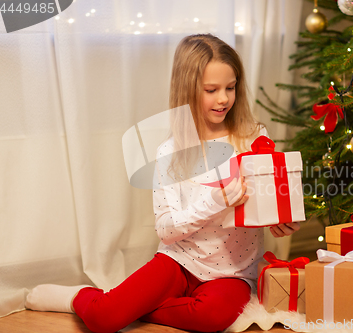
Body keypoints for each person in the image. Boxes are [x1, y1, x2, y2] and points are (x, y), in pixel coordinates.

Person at [25, 34, 301, 332]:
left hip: (232, 273)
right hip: (178, 260)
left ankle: (135, 307)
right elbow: (166, 230)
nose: (223, 98)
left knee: (212, 317)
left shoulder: (254, 138)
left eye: (230, 88)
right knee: (103, 319)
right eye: (211, 90)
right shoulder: (169, 153)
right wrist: (216, 201)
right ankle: (77, 297)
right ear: (187, 90)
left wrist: (279, 220)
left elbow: (265, 203)